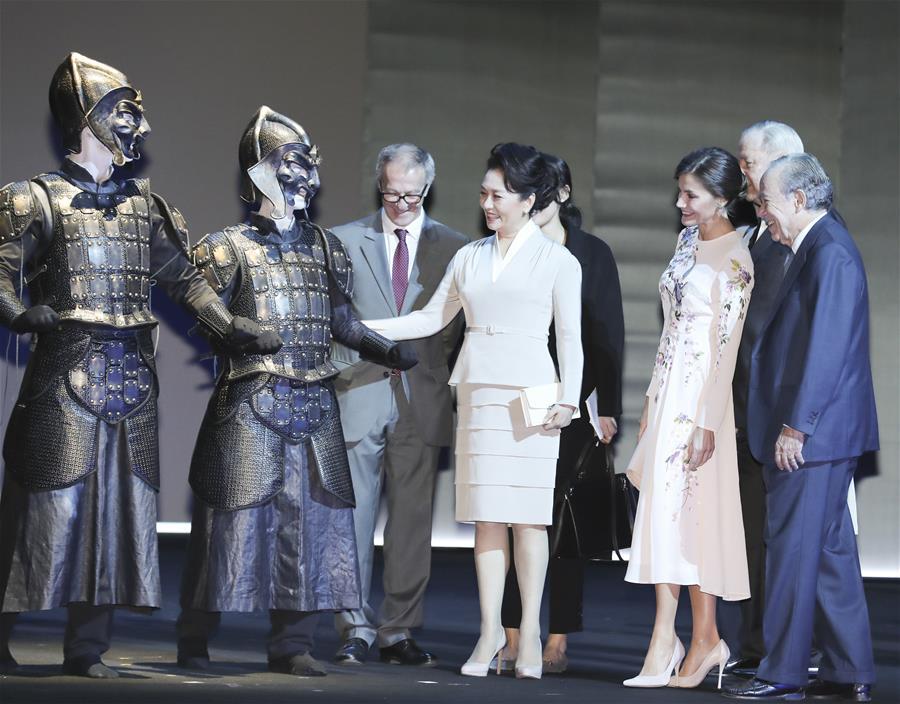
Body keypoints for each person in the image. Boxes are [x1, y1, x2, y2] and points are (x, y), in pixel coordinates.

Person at [0, 53, 255, 678]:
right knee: (38, 511)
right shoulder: (35, 199)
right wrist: (15, 311)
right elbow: (0, 271)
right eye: (125, 113)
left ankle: (86, 649)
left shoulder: (148, 207)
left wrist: (226, 324)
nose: (139, 127)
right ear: (87, 119)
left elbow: (183, 279)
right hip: (63, 379)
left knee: (115, 516)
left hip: (133, 386)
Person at [175, 107, 418, 677]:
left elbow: (343, 323)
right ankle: (194, 636)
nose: (305, 175)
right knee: (228, 522)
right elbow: (202, 314)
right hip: (249, 406)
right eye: (291, 163)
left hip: (313, 404)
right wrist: (239, 332)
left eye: (309, 164)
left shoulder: (325, 248)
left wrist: (385, 349)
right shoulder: (225, 247)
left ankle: (293, 644)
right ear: (258, 172)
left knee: (310, 525)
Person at [364, 142, 583, 680]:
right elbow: (429, 319)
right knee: (487, 520)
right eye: (484, 193)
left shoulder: (559, 260)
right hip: (480, 392)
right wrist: (363, 330)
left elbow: (572, 340)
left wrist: (569, 398)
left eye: (498, 195)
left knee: (529, 522)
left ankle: (528, 631)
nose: (487, 203)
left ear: (528, 200)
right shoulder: (470, 257)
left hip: (533, 397)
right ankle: (490, 632)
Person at [723, 154, 877, 702]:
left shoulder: (829, 251)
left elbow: (827, 351)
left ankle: (783, 671)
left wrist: (796, 428)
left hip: (813, 435)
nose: (760, 214)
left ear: (797, 199)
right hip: (824, 433)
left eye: (764, 202)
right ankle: (848, 668)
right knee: (831, 553)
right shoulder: (814, 247)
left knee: (789, 551)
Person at [329, 144, 468, 667]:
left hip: (421, 398)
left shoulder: (457, 247)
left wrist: (441, 378)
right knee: (352, 522)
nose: (401, 204)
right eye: (391, 193)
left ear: (427, 188)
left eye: (411, 194)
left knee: (412, 525)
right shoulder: (343, 241)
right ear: (378, 185)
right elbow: (334, 322)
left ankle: (398, 631)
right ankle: (353, 628)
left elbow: (454, 333)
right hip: (359, 393)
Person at [623, 147, 753, 690]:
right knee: (660, 514)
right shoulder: (684, 243)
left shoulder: (739, 257)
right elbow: (671, 328)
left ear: (722, 198)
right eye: (680, 192)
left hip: (704, 400)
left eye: (691, 195)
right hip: (670, 391)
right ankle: (664, 636)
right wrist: (652, 398)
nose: (680, 203)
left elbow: (726, 349)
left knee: (697, 517)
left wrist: (706, 419)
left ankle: (703, 639)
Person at [499, 154, 624, 674]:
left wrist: (608, 408)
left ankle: (557, 637)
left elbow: (608, 335)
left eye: (545, 191)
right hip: (517, 395)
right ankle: (510, 634)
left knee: (565, 522)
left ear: (563, 194)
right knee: (514, 518)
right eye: (527, 191)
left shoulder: (593, 254)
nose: (536, 201)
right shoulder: (511, 246)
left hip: (576, 401)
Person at [727, 121, 804, 678]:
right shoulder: (749, 233)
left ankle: (786, 656)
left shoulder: (806, 240)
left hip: (782, 421)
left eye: (749, 164)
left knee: (786, 546)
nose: (742, 176)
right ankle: (754, 649)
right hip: (742, 415)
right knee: (752, 541)